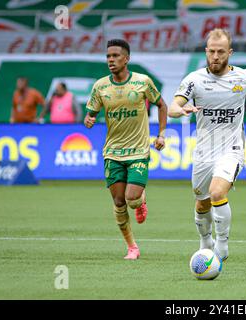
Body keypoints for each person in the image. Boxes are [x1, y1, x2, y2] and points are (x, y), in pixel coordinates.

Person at [168, 28, 246, 261]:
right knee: (202, 202)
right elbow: (174, 105)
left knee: (217, 192)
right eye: (212, 52)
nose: (216, 56)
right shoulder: (194, 80)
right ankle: (205, 240)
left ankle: (222, 245)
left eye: (221, 52)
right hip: (204, 150)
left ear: (230, 53)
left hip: (231, 148)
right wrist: (179, 110)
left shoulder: (244, 77)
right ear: (206, 52)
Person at [84, 39, 168, 260]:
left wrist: (161, 134)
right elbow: (91, 113)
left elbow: (161, 105)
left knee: (131, 198)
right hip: (112, 152)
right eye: (108, 56)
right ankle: (132, 247)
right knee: (119, 202)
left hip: (139, 150)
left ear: (127, 59)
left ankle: (140, 201)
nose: (111, 60)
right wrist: (89, 119)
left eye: (115, 56)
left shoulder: (142, 82)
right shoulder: (100, 86)